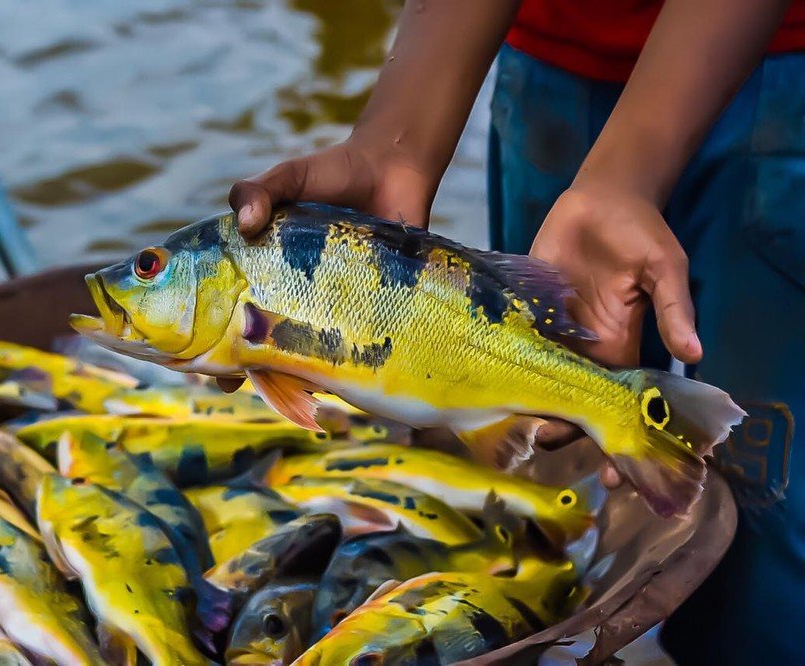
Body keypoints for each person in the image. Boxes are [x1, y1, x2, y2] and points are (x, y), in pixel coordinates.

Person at [225, 1, 805, 663]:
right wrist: (399, 139)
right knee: (552, 468)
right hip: (544, 66)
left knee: (771, 534)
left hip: (772, 66)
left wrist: (626, 173)